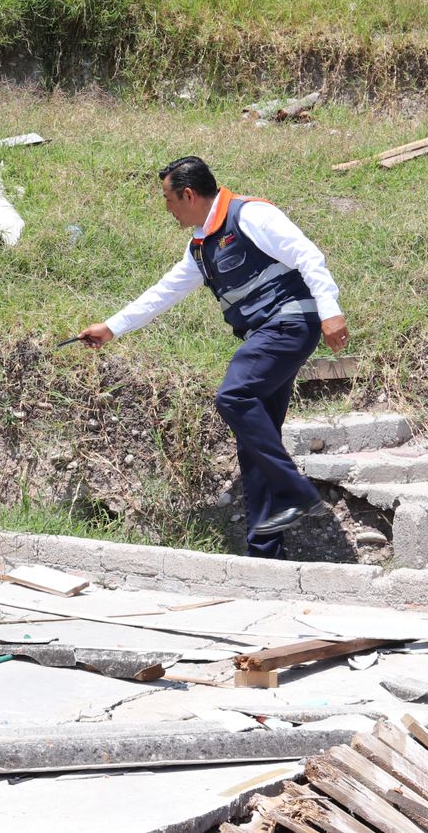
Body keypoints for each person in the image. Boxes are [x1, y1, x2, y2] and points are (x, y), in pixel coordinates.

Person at [81, 156, 349, 558]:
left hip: (289, 324)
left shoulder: (250, 215)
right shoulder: (201, 247)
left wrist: (330, 311)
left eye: (169, 200)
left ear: (188, 194)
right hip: (267, 333)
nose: (167, 209)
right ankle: (266, 552)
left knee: (234, 396)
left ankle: (296, 491)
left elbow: (307, 254)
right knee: (254, 442)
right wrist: (111, 327)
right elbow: (163, 292)